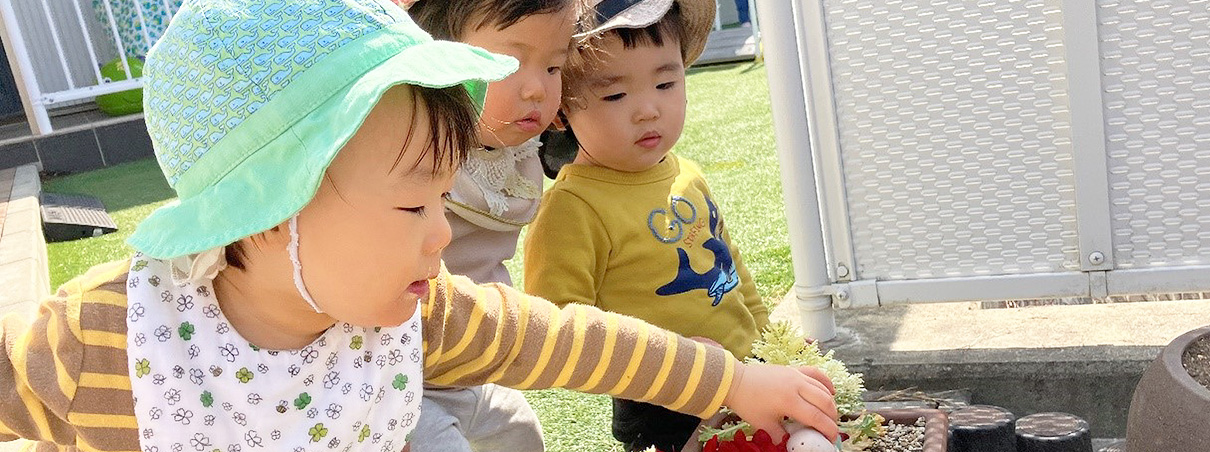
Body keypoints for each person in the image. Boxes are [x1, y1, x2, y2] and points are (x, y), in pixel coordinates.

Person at [0, 0, 841, 451]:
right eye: (413, 205)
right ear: (266, 209)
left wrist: (733, 383)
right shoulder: (105, 342)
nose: (441, 236)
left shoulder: (424, 316)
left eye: (443, 199)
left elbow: (579, 343)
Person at [522, 1, 771, 450]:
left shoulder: (686, 174)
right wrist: (669, 361)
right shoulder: (572, 209)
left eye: (665, 82)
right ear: (561, 111)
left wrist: (771, 340)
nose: (647, 110)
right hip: (665, 408)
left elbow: (730, 269)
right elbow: (558, 333)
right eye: (615, 95)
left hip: (750, 374)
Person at [402, 0, 578, 449]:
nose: (537, 88)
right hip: (401, 379)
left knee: (522, 437)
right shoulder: (411, 146)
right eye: (510, 63)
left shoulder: (519, 151)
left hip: (479, 365)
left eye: (554, 67)